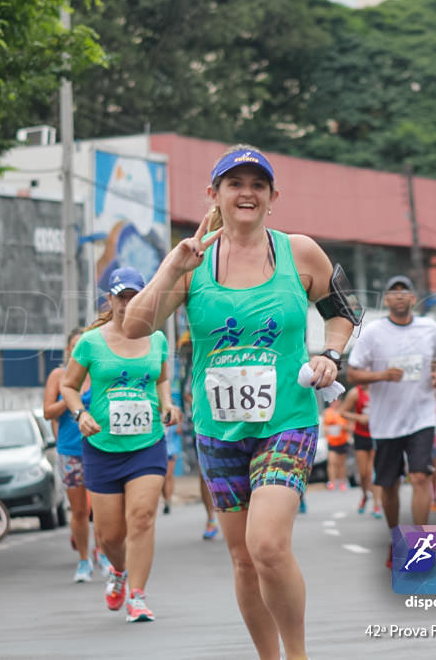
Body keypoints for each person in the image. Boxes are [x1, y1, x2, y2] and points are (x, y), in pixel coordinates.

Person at [121, 145, 355, 660]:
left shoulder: (300, 252)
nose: (246, 193)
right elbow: (134, 327)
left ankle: (297, 655)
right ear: (215, 195)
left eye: (257, 185)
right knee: (243, 558)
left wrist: (331, 355)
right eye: (235, 184)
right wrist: (169, 269)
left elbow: (345, 312)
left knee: (267, 545)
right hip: (218, 427)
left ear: (273, 198)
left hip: (287, 420)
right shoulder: (192, 261)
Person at [60, 267, 180, 623]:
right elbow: (68, 386)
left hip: (147, 444)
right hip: (102, 446)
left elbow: (162, 378)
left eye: (135, 296)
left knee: (142, 518)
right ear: (109, 300)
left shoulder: (157, 338)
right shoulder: (91, 342)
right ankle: (118, 571)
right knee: (110, 535)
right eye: (121, 297)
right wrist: (80, 413)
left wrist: (167, 403)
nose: (128, 303)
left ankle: (138, 596)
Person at [346, 274, 436, 568]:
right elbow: (352, 374)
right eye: (394, 292)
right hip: (386, 421)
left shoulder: (430, 328)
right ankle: (396, 539)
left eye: (406, 291)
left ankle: (422, 544)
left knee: (420, 476)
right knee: (389, 484)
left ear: (414, 299)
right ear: (386, 300)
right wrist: (381, 375)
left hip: (422, 415)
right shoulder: (373, 333)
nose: (400, 296)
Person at [43, 327, 101, 583]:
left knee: (102, 507)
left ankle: (105, 553)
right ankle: (83, 560)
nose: (79, 349)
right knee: (78, 510)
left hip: (100, 446)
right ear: (68, 349)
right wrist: (70, 398)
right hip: (70, 450)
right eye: (75, 345)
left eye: (83, 345)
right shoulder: (58, 375)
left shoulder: (98, 372)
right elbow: (47, 412)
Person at [340, 383, 383, 518]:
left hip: (378, 434)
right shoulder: (356, 392)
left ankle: (377, 504)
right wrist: (360, 418)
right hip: (361, 436)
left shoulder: (380, 389)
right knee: (364, 473)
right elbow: (343, 412)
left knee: (373, 472)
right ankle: (365, 495)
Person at [323, 398, 351, 491]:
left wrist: (343, 427)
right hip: (332, 441)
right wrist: (329, 430)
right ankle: (332, 482)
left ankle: (342, 481)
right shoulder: (327, 412)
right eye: (333, 401)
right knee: (332, 462)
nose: (335, 403)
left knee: (341, 463)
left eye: (337, 400)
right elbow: (324, 426)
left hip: (342, 441)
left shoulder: (343, 412)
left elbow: (350, 426)